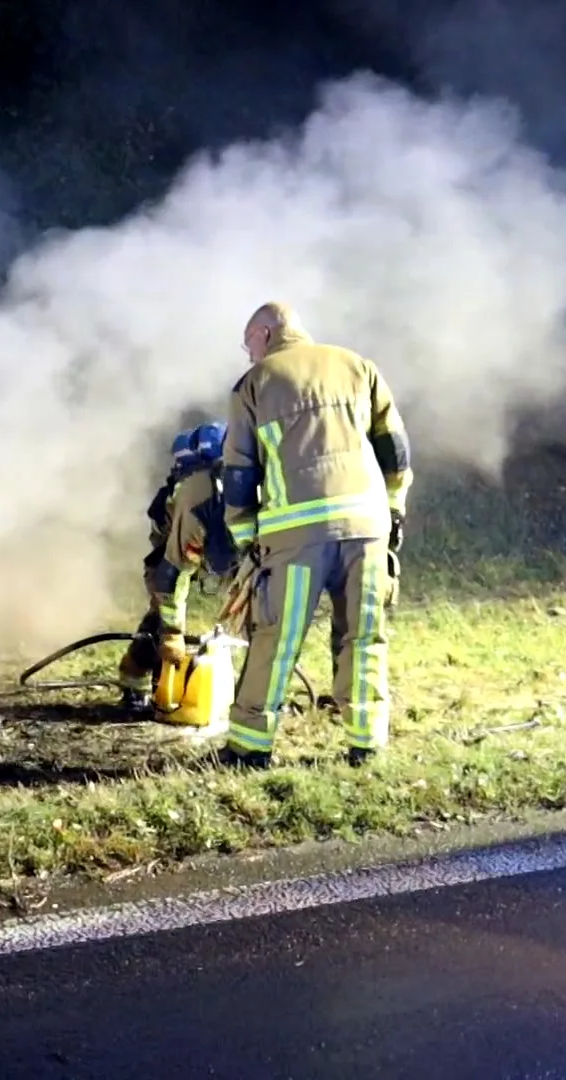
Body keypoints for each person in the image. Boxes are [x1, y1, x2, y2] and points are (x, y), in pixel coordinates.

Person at [217, 302, 412, 769]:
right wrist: (393, 513)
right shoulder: (357, 366)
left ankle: (249, 750)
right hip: (366, 528)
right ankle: (367, 744)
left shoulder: (256, 383)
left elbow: (240, 472)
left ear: (266, 334)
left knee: (276, 637)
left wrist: (247, 539)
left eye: (249, 345)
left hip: (296, 534)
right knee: (363, 634)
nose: (248, 356)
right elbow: (395, 450)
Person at [116, 420, 240, 714]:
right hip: (169, 559)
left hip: (194, 547)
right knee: (160, 620)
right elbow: (171, 575)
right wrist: (172, 632)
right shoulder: (195, 500)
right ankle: (136, 682)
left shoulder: (224, 491)